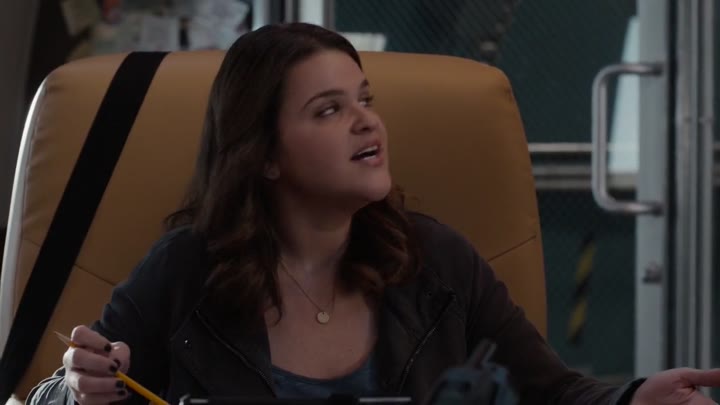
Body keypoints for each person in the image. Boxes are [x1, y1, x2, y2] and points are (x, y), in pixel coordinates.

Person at [28, 22, 719, 405]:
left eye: (365, 99)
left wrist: (635, 400)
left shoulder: (437, 261)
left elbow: (553, 395)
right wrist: (75, 390)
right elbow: (62, 393)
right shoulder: (186, 270)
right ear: (264, 156)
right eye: (329, 110)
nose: (367, 122)